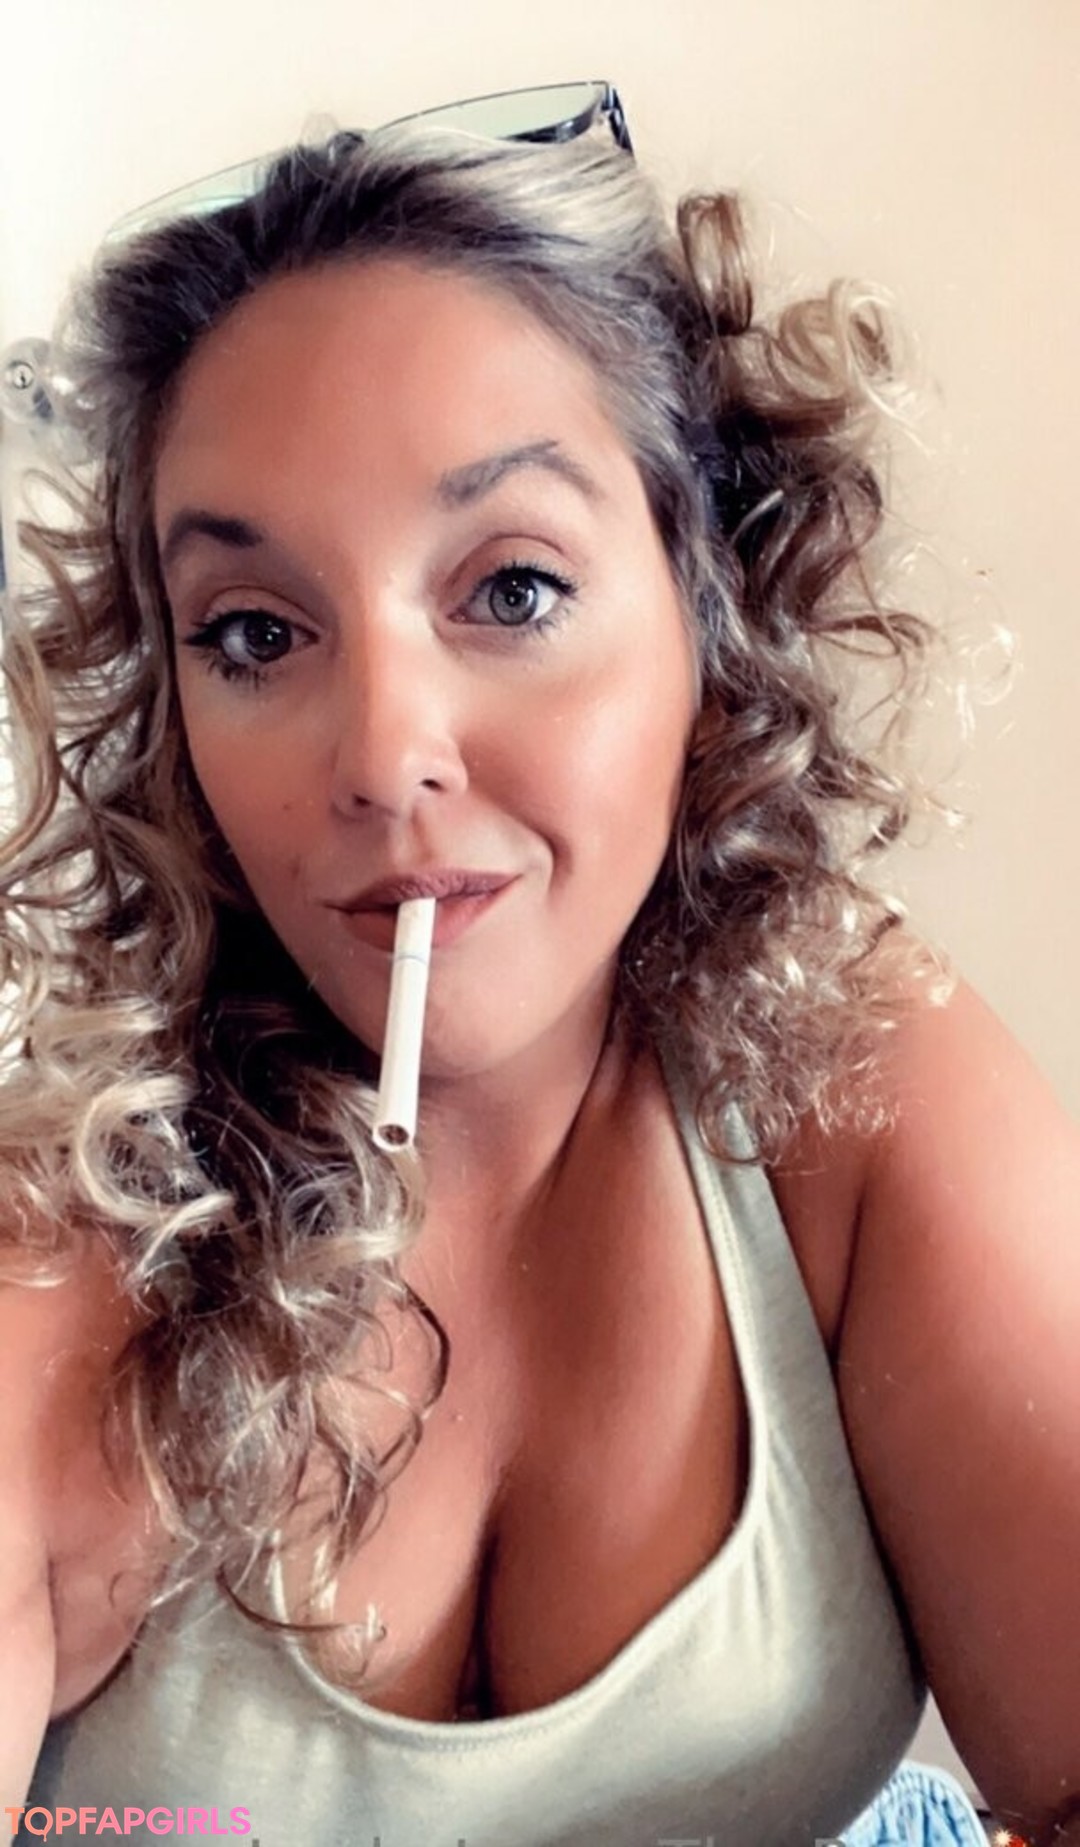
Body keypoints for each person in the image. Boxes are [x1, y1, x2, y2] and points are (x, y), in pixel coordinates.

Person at [0, 85, 1076, 1847]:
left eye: (508, 591)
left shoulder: (849, 1071)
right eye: (256, 632)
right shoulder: (79, 1248)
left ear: (709, 608)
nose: (382, 756)